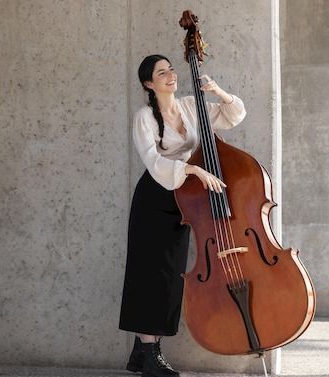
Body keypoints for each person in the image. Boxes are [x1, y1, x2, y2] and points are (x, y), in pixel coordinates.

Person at [119, 54, 246, 377]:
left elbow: (232, 116)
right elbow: (153, 161)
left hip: (184, 200)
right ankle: (149, 354)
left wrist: (220, 93)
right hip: (155, 198)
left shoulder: (191, 106)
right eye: (161, 73)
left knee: (171, 275)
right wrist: (191, 169)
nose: (170, 75)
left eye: (171, 69)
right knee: (150, 275)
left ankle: (141, 353)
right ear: (149, 83)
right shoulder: (145, 116)